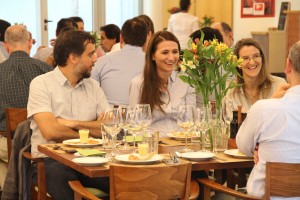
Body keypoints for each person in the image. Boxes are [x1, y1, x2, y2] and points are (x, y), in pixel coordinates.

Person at [27, 30, 110, 199]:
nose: (96, 59)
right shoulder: (41, 84)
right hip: (51, 161)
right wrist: (91, 131)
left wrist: (71, 123)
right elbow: (51, 132)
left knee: (125, 182)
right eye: (91, 54)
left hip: (92, 159)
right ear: (73, 58)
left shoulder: (93, 86)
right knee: (66, 185)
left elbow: (110, 129)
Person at [236, 40, 300, 198]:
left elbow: (244, 146)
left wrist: (258, 146)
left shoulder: (264, 108)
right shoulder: (234, 90)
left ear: (288, 66)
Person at [0, 24, 52, 190]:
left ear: (6, 45)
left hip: (5, 146)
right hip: (44, 146)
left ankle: (9, 190)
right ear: (30, 43)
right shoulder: (46, 71)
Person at [129, 31, 196, 137]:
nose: (171, 58)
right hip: (153, 144)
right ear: (153, 56)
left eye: (175, 52)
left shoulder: (186, 81)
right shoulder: (138, 84)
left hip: (181, 143)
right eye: (165, 52)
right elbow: (135, 126)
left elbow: (191, 122)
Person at [91, 17, 147, 106]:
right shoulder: (152, 63)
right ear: (146, 40)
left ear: (121, 38)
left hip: (108, 116)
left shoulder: (102, 62)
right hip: (142, 116)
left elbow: (90, 92)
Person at [224, 38, 286, 114]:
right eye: (245, 58)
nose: (252, 62)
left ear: (262, 59)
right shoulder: (229, 91)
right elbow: (230, 123)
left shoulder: (279, 85)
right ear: (237, 63)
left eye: (256, 56)